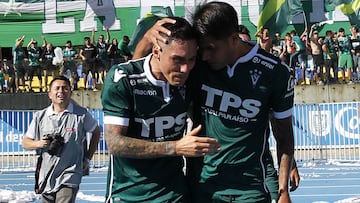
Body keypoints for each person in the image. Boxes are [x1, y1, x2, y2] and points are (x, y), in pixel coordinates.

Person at [138, 2, 295, 202]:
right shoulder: (196, 66)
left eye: (211, 48)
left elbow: (285, 137)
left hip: (250, 190)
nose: (204, 55)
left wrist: (283, 191)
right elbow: (142, 81)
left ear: (233, 38)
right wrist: (146, 40)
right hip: (202, 188)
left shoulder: (274, 71)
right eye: (202, 49)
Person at [101, 16, 220, 203]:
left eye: (191, 59)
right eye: (177, 59)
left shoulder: (191, 78)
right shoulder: (123, 78)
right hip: (129, 195)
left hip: (175, 194)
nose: (184, 68)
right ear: (157, 51)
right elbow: (114, 143)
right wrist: (176, 147)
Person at [22, 76, 100, 203]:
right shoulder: (40, 116)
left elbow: (96, 132)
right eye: (57, 88)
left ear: (70, 93)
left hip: (70, 173)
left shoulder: (81, 114)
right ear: (50, 94)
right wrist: (39, 143)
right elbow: (26, 142)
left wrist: (87, 158)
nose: (61, 91)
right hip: (46, 174)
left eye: (65, 88)